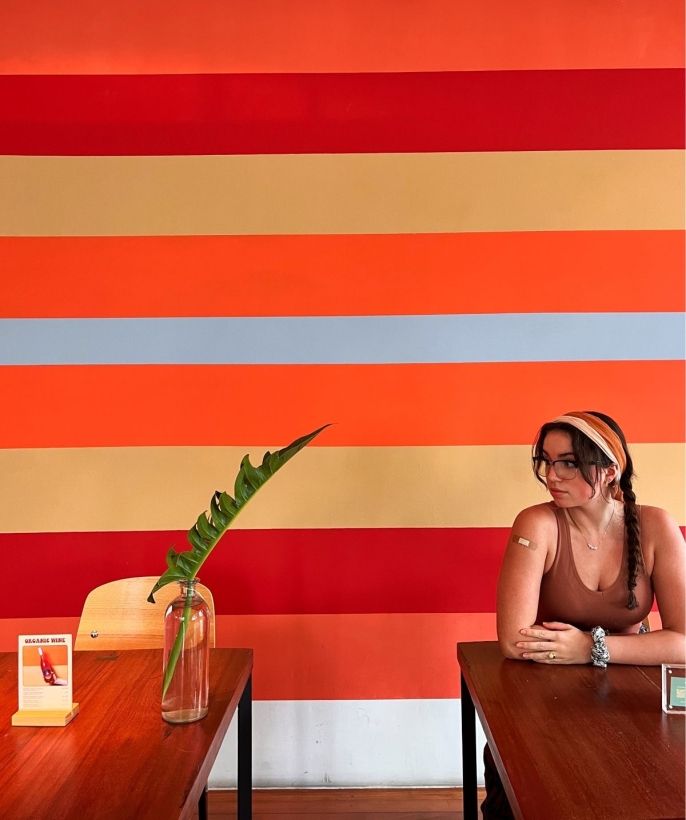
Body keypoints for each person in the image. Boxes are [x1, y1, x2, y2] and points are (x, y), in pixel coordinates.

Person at [482, 410, 686, 819]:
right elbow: (512, 640)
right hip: (547, 688)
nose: (552, 475)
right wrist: (594, 650)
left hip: (633, 690)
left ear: (610, 470)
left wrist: (588, 647)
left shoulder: (656, 526)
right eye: (547, 461)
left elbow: (684, 642)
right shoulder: (537, 522)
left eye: (569, 463)